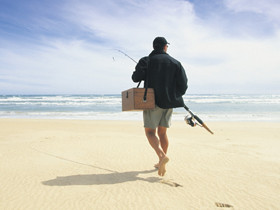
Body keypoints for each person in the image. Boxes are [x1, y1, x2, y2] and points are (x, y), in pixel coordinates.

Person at [132, 37, 188, 176]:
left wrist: (144, 71)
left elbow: (135, 77)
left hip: (152, 101)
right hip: (169, 102)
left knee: (150, 132)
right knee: (162, 133)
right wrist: (174, 95)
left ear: (154, 47)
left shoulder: (146, 60)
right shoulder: (176, 63)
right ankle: (161, 160)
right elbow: (183, 85)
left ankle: (162, 157)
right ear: (165, 47)